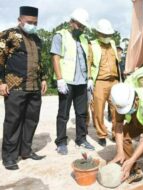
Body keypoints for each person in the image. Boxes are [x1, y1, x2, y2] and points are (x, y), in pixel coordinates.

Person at [0, 6, 47, 170]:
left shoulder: (37, 39)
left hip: (34, 87)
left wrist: (44, 79)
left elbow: (41, 61)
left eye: (35, 22)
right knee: (13, 122)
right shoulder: (8, 35)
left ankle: (26, 151)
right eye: (29, 22)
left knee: (31, 120)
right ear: (20, 20)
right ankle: (9, 157)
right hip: (15, 87)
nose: (32, 25)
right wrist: (1, 81)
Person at [51, 8, 95, 155]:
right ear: (71, 22)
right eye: (79, 25)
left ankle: (81, 139)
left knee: (82, 113)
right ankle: (61, 142)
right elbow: (55, 58)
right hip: (67, 82)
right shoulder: (60, 36)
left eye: (83, 26)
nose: (81, 29)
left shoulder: (83, 39)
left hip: (81, 82)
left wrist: (89, 78)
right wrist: (60, 79)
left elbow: (87, 59)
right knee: (63, 113)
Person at [89, 19, 121, 146]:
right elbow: (89, 62)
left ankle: (115, 133)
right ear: (98, 33)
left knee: (116, 109)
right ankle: (101, 134)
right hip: (100, 82)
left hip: (114, 81)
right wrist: (90, 79)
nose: (107, 37)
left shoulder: (113, 44)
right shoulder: (92, 45)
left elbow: (118, 63)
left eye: (109, 35)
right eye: (105, 35)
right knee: (99, 110)